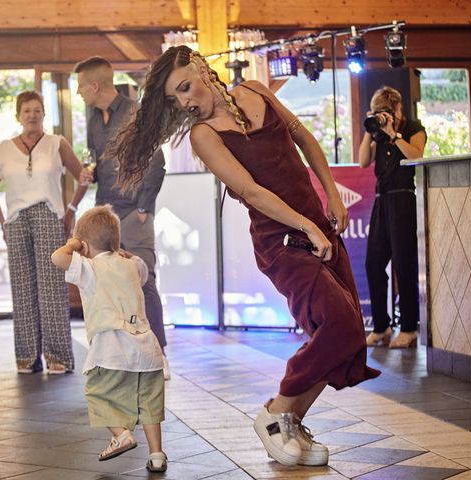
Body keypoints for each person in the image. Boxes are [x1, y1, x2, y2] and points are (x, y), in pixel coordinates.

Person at [111, 45, 380, 467]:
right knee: (339, 321)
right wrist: (305, 226)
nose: (183, 102)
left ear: (200, 67)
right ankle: (275, 415)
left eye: (184, 88)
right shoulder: (204, 136)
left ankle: (290, 420)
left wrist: (331, 194)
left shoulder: (257, 90)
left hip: (319, 228)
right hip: (282, 243)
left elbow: (305, 139)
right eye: (174, 99)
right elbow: (252, 192)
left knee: (346, 337)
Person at [72, 57, 170, 380]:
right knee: (107, 280)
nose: (78, 93)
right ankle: (119, 354)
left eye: (81, 86)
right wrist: (91, 172)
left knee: (144, 280)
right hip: (105, 211)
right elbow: (100, 162)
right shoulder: (92, 119)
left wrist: (144, 208)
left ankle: (159, 354)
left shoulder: (134, 113)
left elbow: (157, 162)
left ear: (95, 85)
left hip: (133, 212)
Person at [51, 205, 167, 472]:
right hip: (148, 348)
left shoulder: (89, 267)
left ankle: (121, 434)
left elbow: (58, 258)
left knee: (98, 394)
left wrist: (72, 244)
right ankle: (157, 454)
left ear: (85, 246)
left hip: (112, 347)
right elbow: (139, 263)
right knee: (149, 402)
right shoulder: (133, 265)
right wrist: (119, 250)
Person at [0, 91, 85, 374]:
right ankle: (27, 356)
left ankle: (59, 356)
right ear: (18, 115)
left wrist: (70, 211)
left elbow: (83, 178)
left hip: (48, 216)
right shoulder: (4, 148)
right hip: (16, 220)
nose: (32, 115)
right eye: (27, 110)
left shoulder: (57, 143)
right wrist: (3, 220)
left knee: (52, 286)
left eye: (37, 110)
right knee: (22, 288)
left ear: (44, 114)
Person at [358, 86, 427, 349]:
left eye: (386, 112)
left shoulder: (412, 128)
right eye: (378, 113)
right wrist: (370, 129)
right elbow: (364, 161)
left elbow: (416, 155)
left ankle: (409, 328)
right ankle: (381, 327)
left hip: (403, 199)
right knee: (373, 263)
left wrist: (394, 134)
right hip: (381, 200)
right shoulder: (376, 130)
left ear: (398, 109)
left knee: (404, 263)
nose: (383, 117)